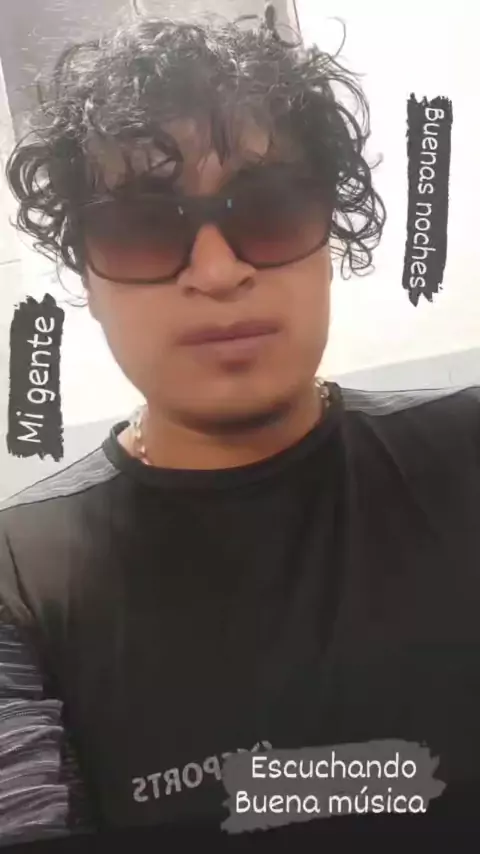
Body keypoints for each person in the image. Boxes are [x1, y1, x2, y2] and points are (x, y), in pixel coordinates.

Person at [1, 3, 479, 841]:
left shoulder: (468, 455)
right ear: (87, 277)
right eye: (144, 229)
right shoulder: (19, 579)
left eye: (269, 210)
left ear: (327, 240)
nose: (218, 272)